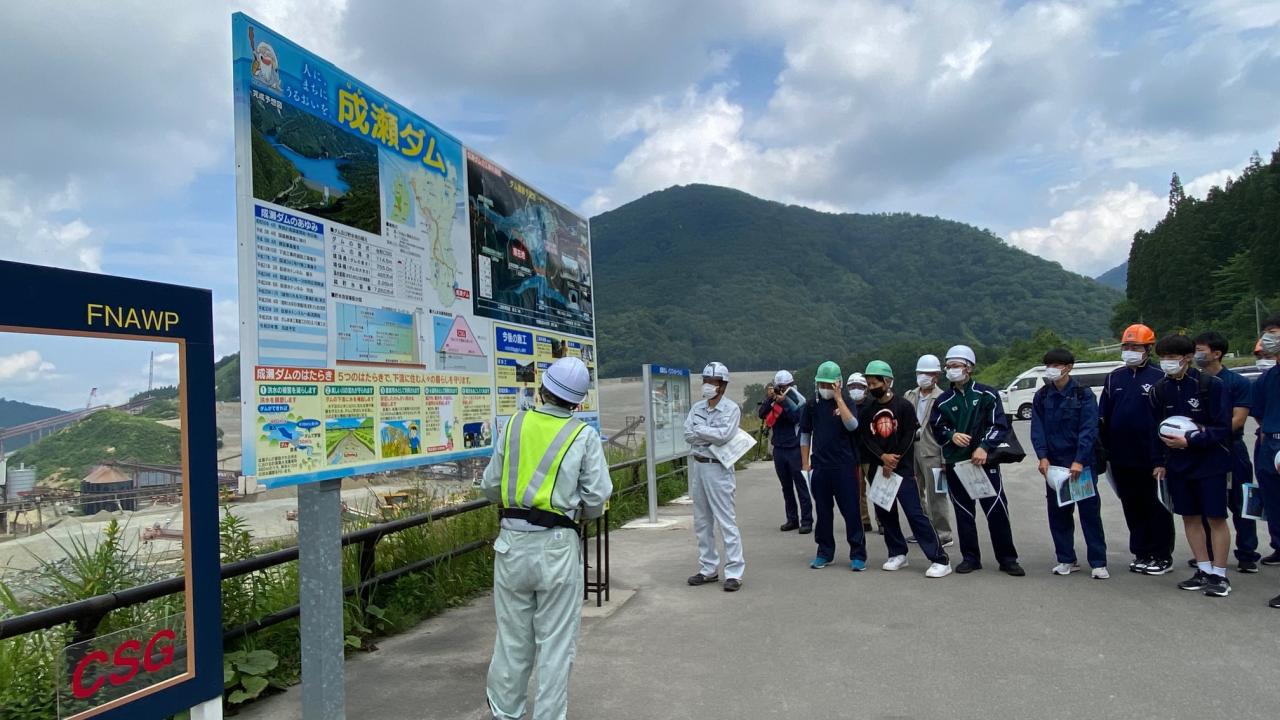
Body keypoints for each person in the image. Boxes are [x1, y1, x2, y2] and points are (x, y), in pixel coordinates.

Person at [480, 357, 613, 720]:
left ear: (543, 389)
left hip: (510, 545)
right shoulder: (582, 434)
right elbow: (597, 496)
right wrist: (579, 514)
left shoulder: (513, 425)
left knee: (512, 638)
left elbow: (490, 486)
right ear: (578, 402)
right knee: (555, 643)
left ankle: (506, 712)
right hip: (557, 547)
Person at [1150, 334, 1234, 597]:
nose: (1166, 362)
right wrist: (1159, 462)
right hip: (1178, 465)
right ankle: (1203, 568)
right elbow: (1156, 430)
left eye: (1172, 357)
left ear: (1187, 358)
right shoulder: (1160, 389)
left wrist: (1192, 440)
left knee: (1216, 517)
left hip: (1210, 462)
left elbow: (1223, 428)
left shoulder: (1210, 385)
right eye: (1162, 357)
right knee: (1189, 517)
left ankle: (1219, 575)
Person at [929, 345, 1024, 576]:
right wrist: (952, 435)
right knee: (964, 513)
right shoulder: (942, 400)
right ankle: (970, 558)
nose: (952, 370)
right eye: (949, 366)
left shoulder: (987, 395)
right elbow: (937, 428)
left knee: (996, 510)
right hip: (956, 463)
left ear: (969, 368)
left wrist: (983, 447)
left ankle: (1008, 559)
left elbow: (999, 425)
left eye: (956, 366)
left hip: (984, 462)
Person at [858, 360, 952, 577]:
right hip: (878, 468)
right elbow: (866, 438)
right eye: (869, 384)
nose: (872, 388)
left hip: (903, 469)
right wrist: (882, 457)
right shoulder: (868, 411)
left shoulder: (903, 406)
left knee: (914, 513)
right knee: (885, 513)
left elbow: (909, 436)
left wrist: (894, 460)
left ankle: (939, 558)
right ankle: (897, 552)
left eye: (875, 383)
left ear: (888, 382)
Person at [1099, 324, 1175, 576]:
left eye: (1135, 347)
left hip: (1152, 456)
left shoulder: (1159, 376)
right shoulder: (1114, 377)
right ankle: (1141, 552)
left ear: (1148, 349)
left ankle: (1162, 555)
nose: (1130, 351)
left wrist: (1163, 456)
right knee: (1132, 505)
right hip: (1121, 456)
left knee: (1156, 506)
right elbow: (1104, 416)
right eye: (1126, 347)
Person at [1030, 348, 1108, 579]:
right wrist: (1042, 456)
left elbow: (1089, 429)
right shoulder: (1042, 395)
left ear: (1069, 367)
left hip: (1080, 465)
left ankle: (1098, 561)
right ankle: (1065, 558)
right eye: (1049, 364)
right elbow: (1037, 429)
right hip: (1054, 466)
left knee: (1089, 513)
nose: (1052, 369)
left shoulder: (1083, 394)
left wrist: (1079, 460)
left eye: (1057, 364)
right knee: (1059, 513)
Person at [1193, 331, 1259, 573]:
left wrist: (1207, 434)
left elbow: (1239, 419)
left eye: (1201, 349)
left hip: (1231, 448)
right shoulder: (1195, 382)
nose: (1197, 354)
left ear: (1217, 353)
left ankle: (1247, 553)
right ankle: (1208, 553)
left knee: (1241, 502)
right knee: (1206, 503)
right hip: (1202, 450)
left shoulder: (1237, 382)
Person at [684, 362, 746, 592]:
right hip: (698, 466)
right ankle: (708, 568)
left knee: (726, 520)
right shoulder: (697, 408)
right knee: (702, 521)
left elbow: (724, 436)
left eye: (714, 382)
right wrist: (708, 435)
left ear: (723, 385)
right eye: (706, 381)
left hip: (718, 468)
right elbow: (688, 434)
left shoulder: (731, 409)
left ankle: (734, 572)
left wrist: (701, 431)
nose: (709, 385)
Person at [801, 361, 867, 570]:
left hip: (845, 466)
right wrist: (805, 464)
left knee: (851, 511)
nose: (825, 388)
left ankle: (858, 554)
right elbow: (805, 435)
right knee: (823, 512)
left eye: (830, 384)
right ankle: (824, 552)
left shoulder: (847, 401)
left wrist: (839, 399)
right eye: (822, 384)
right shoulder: (812, 405)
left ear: (838, 384)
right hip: (820, 466)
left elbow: (853, 425)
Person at [903, 354, 953, 547]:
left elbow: (948, 428)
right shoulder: (910, 395)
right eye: (920, 373)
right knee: (916, 493)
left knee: (937, 494)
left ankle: (943, 533)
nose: (923, 376)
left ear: (936, 376)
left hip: (935, 453)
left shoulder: (943, 397)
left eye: (928, 373)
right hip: (912, 451)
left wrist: (945, 457)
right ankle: (923, 529)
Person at [758, 370, 812, 533]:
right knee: (786, 486)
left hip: (794, 447)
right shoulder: (774, 399)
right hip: (779, 448)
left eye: (784, 386)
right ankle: (792, 519)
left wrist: (784, 402)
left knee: (800, 485)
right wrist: (770, 399)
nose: (781, 389)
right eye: (778, 387)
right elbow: (762, 414)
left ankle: (807, 520)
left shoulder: (798, 398)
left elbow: (797, 418)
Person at [1251, 319, 1280, 607]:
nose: (1268, 340)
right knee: (1273, 505)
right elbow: (1258, 411)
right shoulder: (1268, 378)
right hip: (1269, 442)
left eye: (1273, 335)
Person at [847, 372, 877, 533]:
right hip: (853, 455)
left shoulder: (873, 405)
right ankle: (864, 520)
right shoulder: (845, 406)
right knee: (858, 492)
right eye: (852, 387)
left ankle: (882, 521)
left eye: (859, 386)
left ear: (866, 389)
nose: (855, 390)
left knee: (877, 490)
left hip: (871, 455)